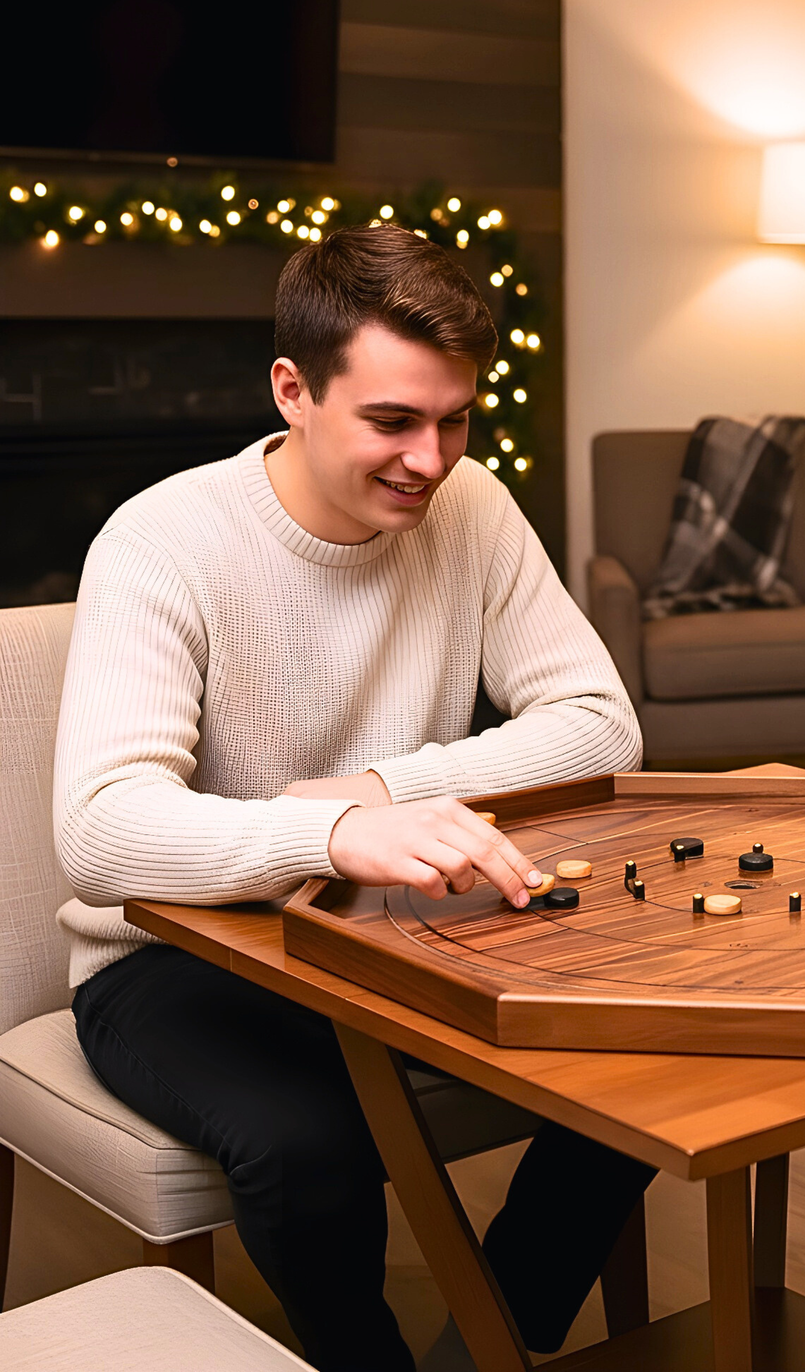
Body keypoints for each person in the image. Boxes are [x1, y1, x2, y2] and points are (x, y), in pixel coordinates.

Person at [54, 225, 653, 1371]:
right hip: (177, 956)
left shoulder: (470, 505)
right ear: (292, 389)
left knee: (640, 1047)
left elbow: (599, 721)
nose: (432, 458)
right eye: (392, 421)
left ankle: (486, 1345)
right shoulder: (162, 537)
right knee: (305, 1141)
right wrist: (330, 829)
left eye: (456, 419)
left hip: (394, 930)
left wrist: (387, 788)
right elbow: (97, 830)